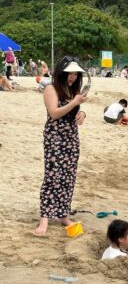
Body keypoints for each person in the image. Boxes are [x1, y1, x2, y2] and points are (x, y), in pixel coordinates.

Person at [35, 57, 87, 236]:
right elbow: (54, 113)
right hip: (55, 137)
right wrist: (75, 103)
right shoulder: (51, 88)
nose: (72, 77)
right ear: (61, 72)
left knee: (68, 177)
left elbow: (73, 111)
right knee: (53, 176)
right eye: (69, 73)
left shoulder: (73, 90)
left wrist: (82, 114)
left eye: (75, 73)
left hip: (71, 137)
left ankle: (63, 214)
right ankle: (45, 217)